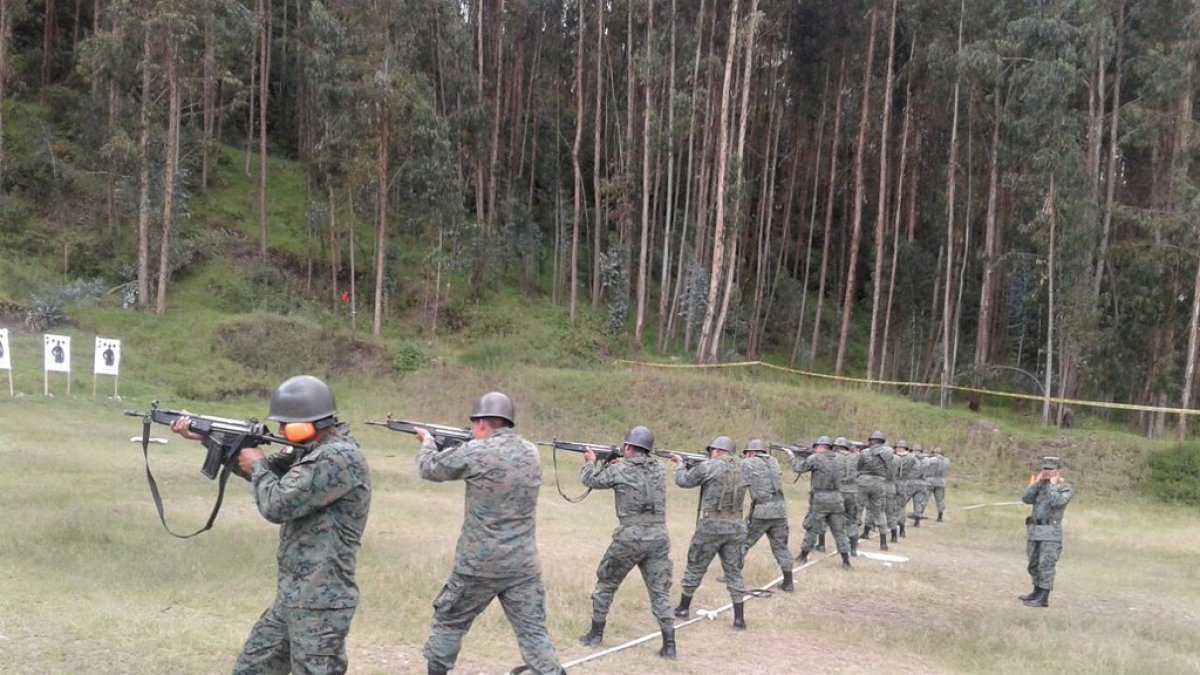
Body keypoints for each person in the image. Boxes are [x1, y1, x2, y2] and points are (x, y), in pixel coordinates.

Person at [170, 374, 372, 675]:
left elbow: (275, 503)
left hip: (320, 602)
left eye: (286, 424)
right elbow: (267, 473)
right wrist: (209, 438)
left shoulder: (337, 457)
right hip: (293, 596)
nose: (279, 430)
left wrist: (259, 465)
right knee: (252, 668)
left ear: (312, 423)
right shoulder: (310, 449)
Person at [414, 392, 564, 675]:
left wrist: (429, 443)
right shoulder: (531, 452)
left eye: (474, 426)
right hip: (522, 564)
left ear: (482, 423)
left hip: (478, 564)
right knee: (533, 633)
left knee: (449, 623)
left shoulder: (476, 452)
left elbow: (429, 468)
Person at [577, 425, 676, 659]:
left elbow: (589, 479)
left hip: (630, 537)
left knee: (606, 584)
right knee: (660, 591)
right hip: (659, 536)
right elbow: (641, 467)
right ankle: (670, 645)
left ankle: (595, 634)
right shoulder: (659, 469)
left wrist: (591, 461)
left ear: (629, 447)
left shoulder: (620, 468)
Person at [671, 436, 751, 630]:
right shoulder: (747, 468)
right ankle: (739, 618)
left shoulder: (709, 466)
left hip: (711, 525)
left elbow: (683, 481)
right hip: (736, 525)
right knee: (734, 572)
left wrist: (680, 464)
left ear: (715, 451)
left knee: (696, 566)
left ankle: (683, 608)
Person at [789, 436, 852, 569]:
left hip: (820, 499)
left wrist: (792, 456)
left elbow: (798, 468)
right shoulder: (840, 459)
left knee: (812, 528)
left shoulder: (815, 458)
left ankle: (803, 555)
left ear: (820, 446)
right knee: (839, 531)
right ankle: (846, 561)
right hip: (837, 498)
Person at [1019, 457, 1074, 608]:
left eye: (1050, 469)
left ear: (1059, 470)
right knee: (1033, 563)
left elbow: (1057, 502)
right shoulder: (1040, 486)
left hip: (1051, 533)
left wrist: (1052, 485)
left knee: (1046, 564)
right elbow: (1025, 498)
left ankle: (1043, 596)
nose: (1047, 472)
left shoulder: (1065, 488)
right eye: (1045, 469)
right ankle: (1036, 591)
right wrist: (1036, 484)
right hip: (1035, 531)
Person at [741, 439, 794, 592]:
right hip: (780, 510)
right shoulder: (774, 461)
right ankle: (788, 582)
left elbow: (740, 484)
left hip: (762, 511)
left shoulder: (748, 463)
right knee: (781, 547)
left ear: (751, 452)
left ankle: (732, 574)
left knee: (742, 542)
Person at [856, 431, 893, 550]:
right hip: (879, 482)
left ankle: (853, 539)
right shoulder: (888, 452)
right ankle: (883, 542)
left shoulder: (864, 452)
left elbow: (858, 467)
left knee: (858, 508)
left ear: (872, 440)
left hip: (863, 481)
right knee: (880, 511)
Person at [833, 437, 860, 556]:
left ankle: (841, 547)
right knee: (852, 520)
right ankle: (853, 548)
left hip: (838, 491)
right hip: (853, 492)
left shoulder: (833, 457)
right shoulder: (857, 457)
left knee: (836, 520)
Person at [893, 440, 918, 538]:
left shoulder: (894, 457)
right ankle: (902, 529)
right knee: (902, 507)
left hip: (895, 483)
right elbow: (916, 469)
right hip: (905, 484)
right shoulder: (912, 458)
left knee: (893, 507)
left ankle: (894, 529)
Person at [908, 444, 931, 526]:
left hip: (912, 482)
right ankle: (917, 520)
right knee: (918, 502)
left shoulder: (911, 459)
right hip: (922, 483)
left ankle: (899, 518)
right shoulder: (927, 460)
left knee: (903, 501)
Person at [927, 447, 951, 521]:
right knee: (939, 500)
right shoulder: (946, 460)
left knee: (925, 499)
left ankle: (919, 514)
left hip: (930, 482)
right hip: (941, 482)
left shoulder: (930, 460)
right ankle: (940, 515)